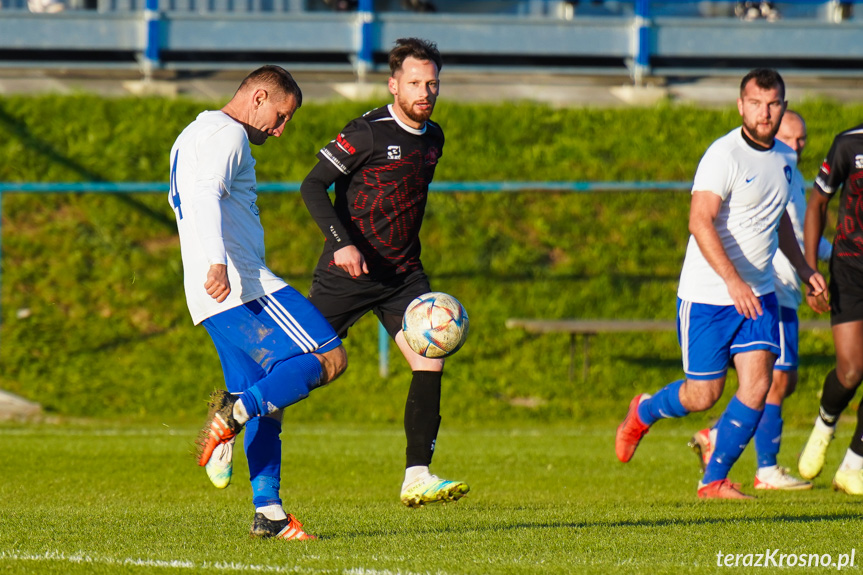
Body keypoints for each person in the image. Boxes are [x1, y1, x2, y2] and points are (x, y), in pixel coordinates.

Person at [614, 68, 826, 499]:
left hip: (759, 294)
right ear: (740, 105)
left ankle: (713, 480)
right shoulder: (723, 155)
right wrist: (731, 281)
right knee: (703, 395)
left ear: (783, 106)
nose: (764, 113)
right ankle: (644, 410)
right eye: (755, 103)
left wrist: (805, 269)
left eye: (772, 104)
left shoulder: (784, 162)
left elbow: (779, 223)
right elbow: (699, 221)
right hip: (709, 297)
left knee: (759, 384)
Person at [170, 65, 348, 540]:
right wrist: (216, 262)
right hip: (241, 285)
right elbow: (205, 194)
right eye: (281, 115)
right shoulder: (229, 135)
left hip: (209, 298)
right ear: (259, 96)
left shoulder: (193, 133)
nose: (282, 128)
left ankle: (268, 513)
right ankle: (232, 412)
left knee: (271, 397)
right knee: (329, 357)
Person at [299, 37, 469, 508]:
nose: (425, 92)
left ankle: (417, 474)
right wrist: (343, 244)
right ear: (394, 84)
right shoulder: (367, 132)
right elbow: (313, 186)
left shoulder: (433, 138)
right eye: (415, 82)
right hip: (348, 273)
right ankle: (235, 415)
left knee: (430, 358)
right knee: (300, 367)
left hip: (403, 276)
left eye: (432, 83)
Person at [687, 110, 832, 491]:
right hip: (772, 288)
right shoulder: (743, 160)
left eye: (802, 140)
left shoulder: (791, 173)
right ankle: (762, 466)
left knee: (782, 379)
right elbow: (791, 236)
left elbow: (791, 231)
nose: (797, 146)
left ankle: (718, 438)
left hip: (783, 288)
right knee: (774, 380)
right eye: (790, 138)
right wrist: (836, 254)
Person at [797, 118, 863, 495]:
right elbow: (818, 201)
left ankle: (853, 465)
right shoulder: (848, 145)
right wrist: (810, 271)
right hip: (852, 268)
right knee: (852, 369)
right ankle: (825, 425)